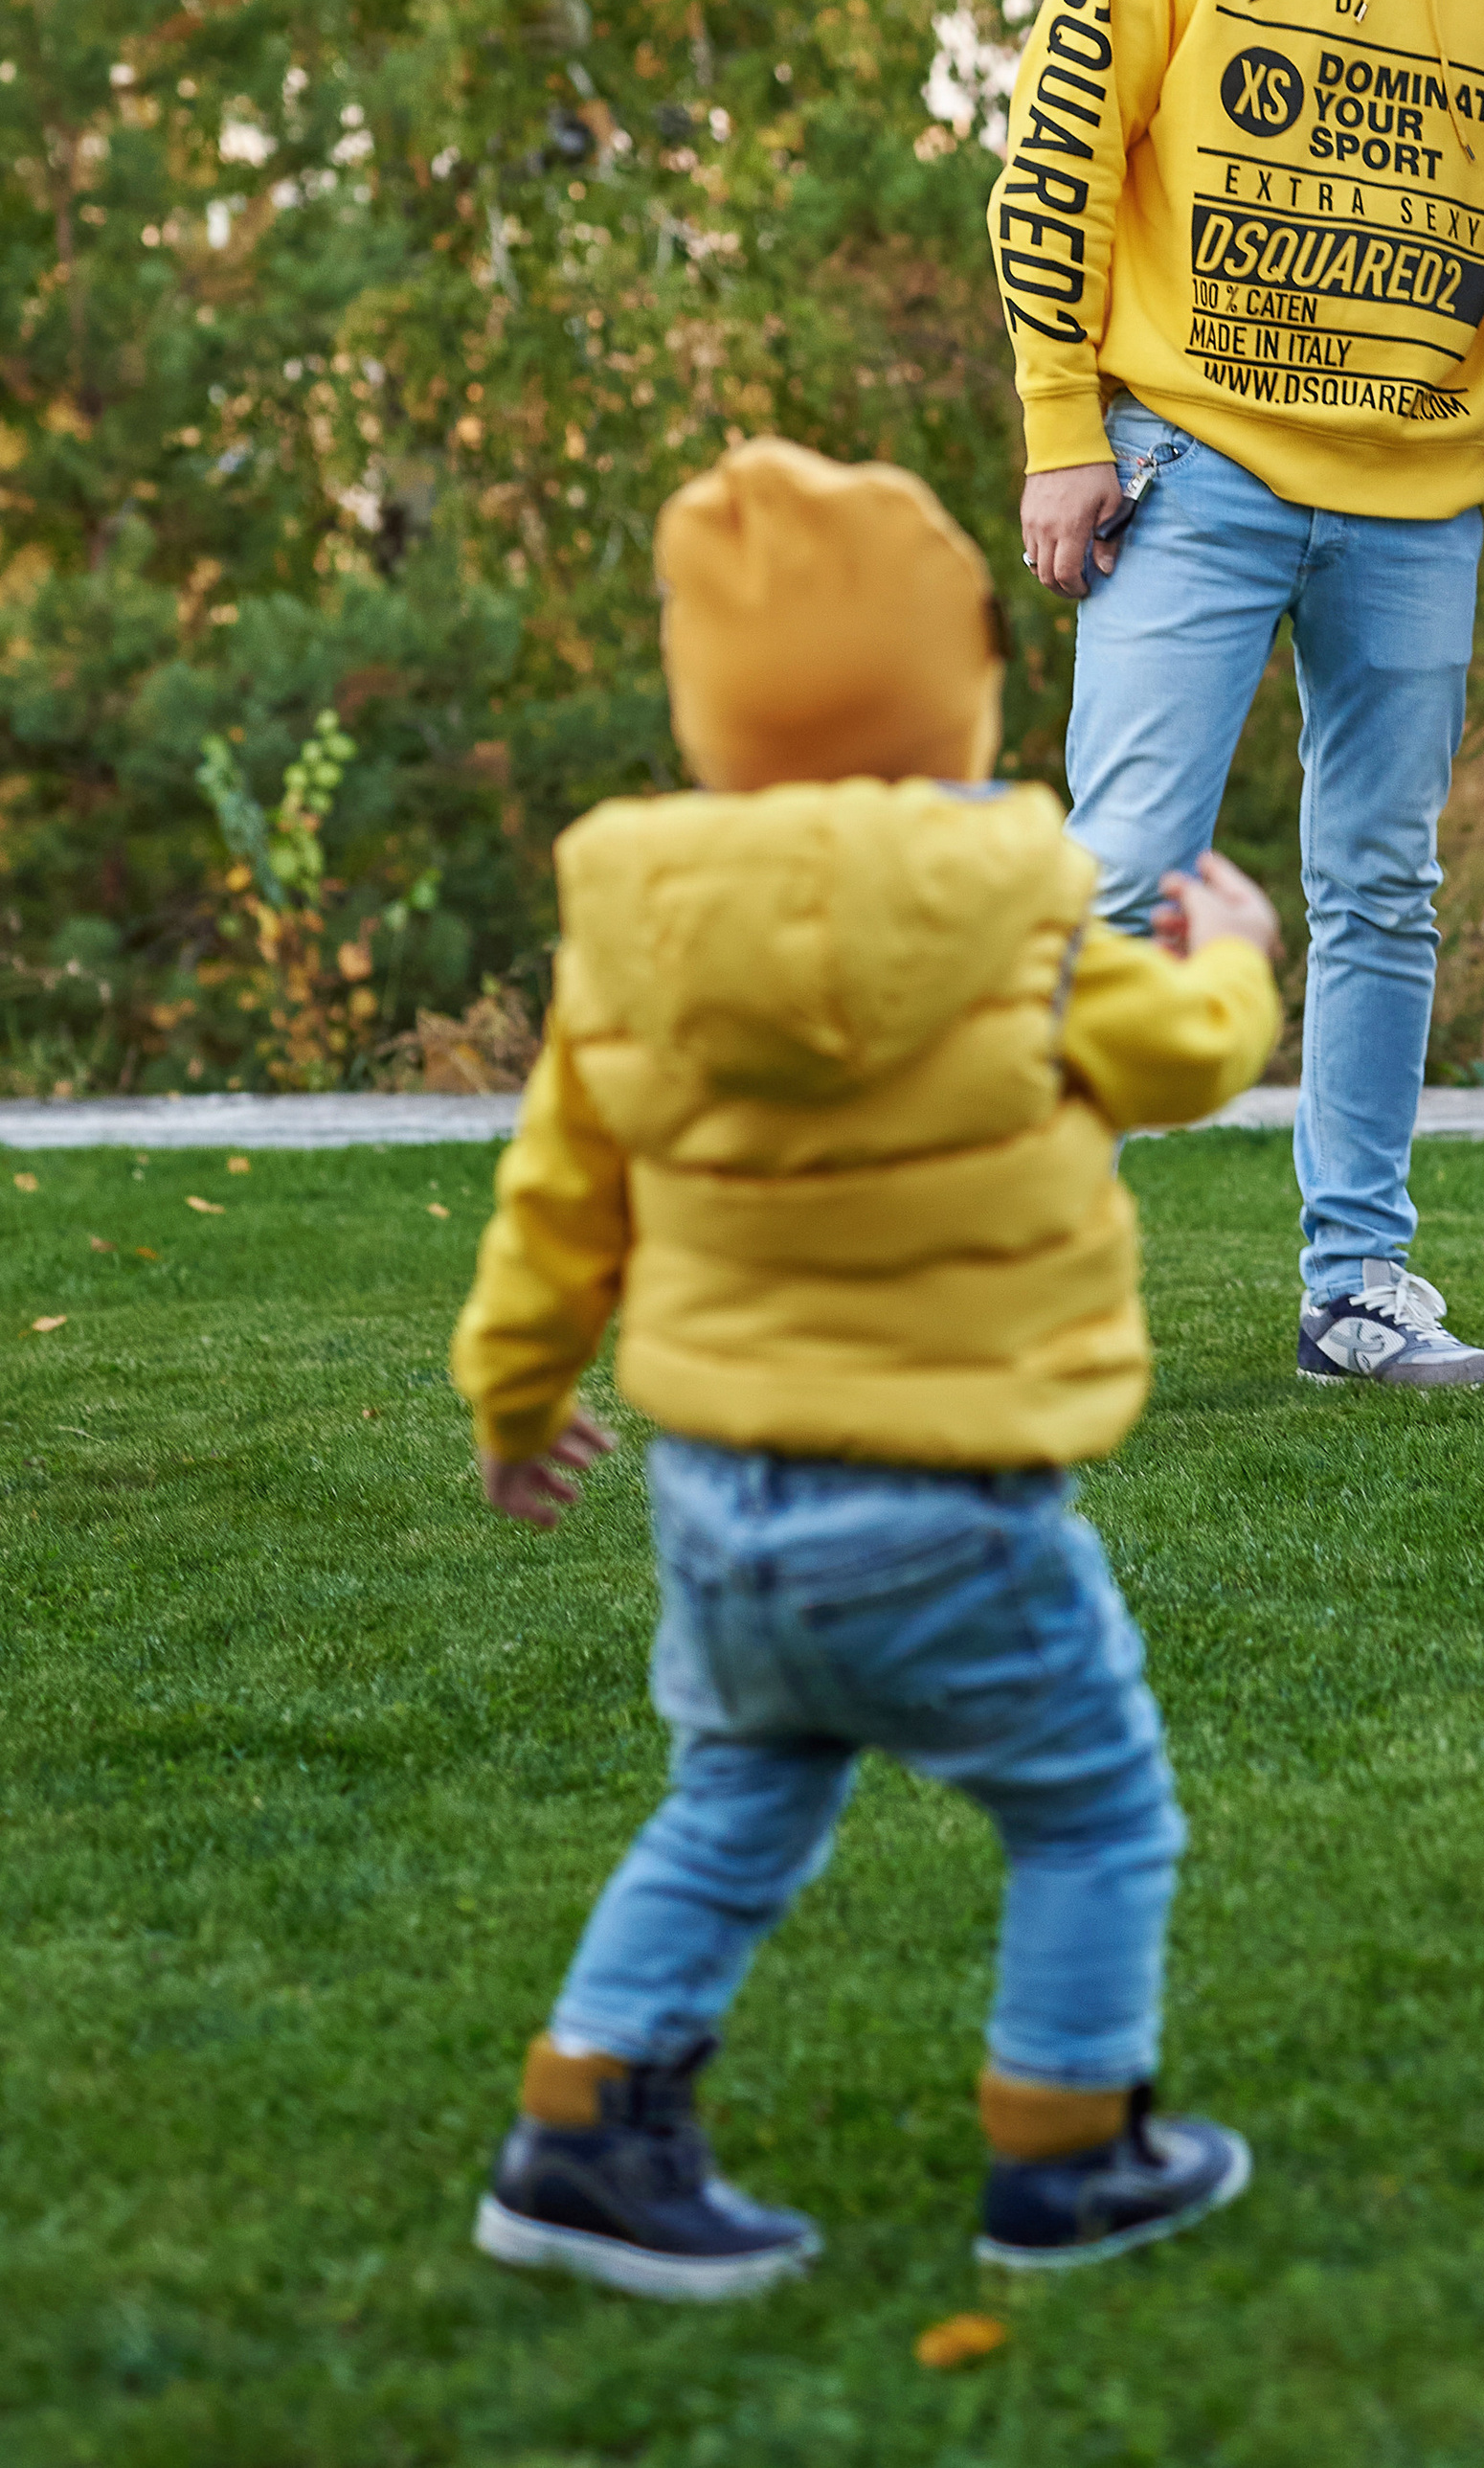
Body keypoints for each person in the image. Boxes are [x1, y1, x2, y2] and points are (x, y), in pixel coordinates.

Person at [449, 439, 1284, 2298]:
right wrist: (1234, 962)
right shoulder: (1016, 910)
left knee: (737, 1799)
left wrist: (517, 1404)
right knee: (1091, 1806)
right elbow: (1179, 1063)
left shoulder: (639, 932)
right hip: (946, 1504)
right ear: (948, 678)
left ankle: (579, 2133)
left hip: (719, 1503)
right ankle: (1066, 2152)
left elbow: (555, 1205)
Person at [988, 0, 1484, 1392]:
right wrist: (1061, 429)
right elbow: (1055, 157)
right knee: (1121, 872)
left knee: (1385, 891)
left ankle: (1361, 1288)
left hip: (1420, 495)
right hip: (1190, 463)